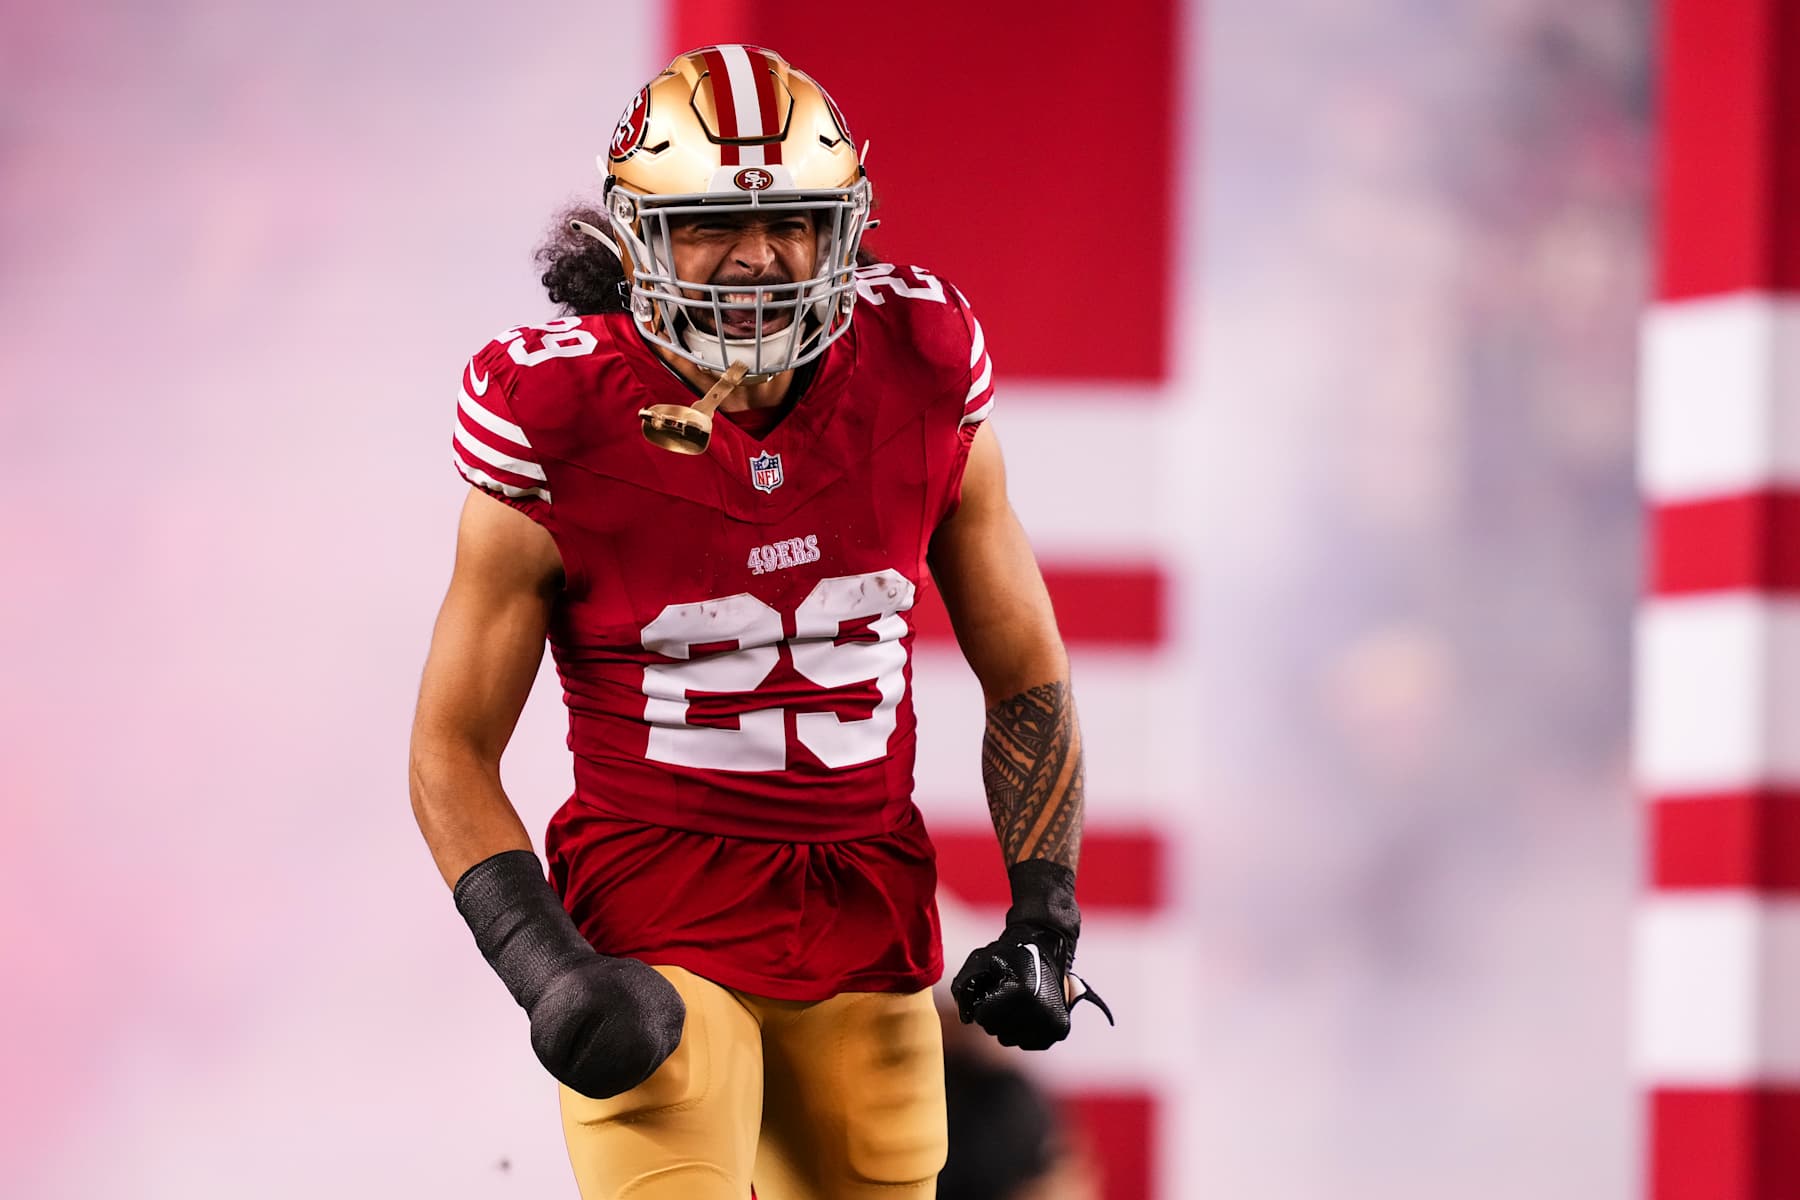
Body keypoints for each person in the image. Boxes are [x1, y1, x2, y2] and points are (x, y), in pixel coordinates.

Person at [409, 44, 1109, 1199]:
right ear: (634, 238)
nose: (756, 258)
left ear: (845, 227)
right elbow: (449, 747)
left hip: (869, 916)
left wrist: (1047, 908)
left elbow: (1024, 667)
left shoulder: (921, 368)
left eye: (793, 221)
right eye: (705, 227)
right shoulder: (557, 417)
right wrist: (547, 968)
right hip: (658, 916)